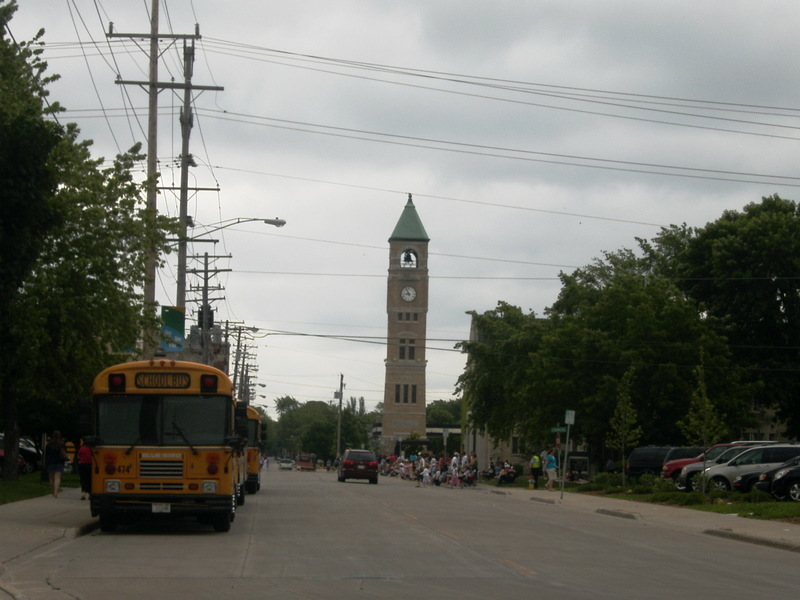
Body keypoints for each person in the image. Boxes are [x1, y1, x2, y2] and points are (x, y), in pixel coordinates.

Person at [45, 431, 67, 498]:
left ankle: (52, 492)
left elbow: (46, 454)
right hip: (59, 462)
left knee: (51, 478)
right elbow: (65, 453)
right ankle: (56, 492)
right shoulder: (62, 444)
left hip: (51, 462)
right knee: (57, 478)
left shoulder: (49, 444)